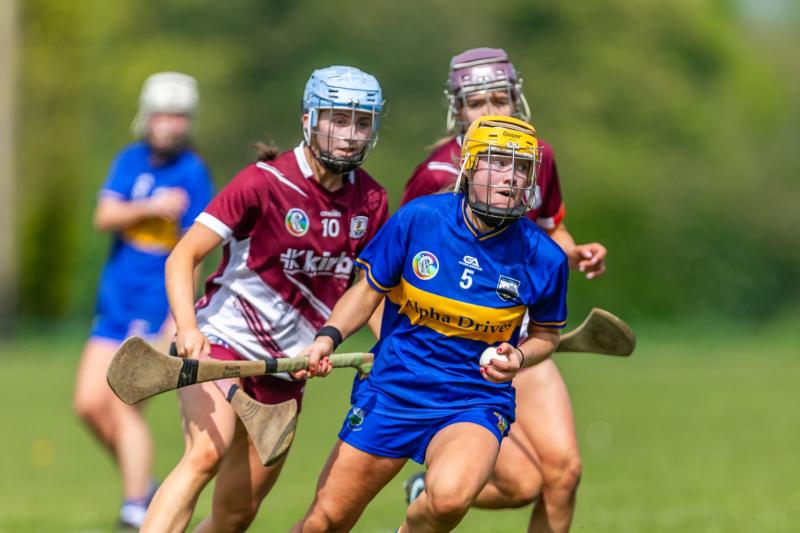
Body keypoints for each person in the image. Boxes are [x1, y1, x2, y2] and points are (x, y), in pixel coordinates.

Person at [140, 65, 388, 533]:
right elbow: (182, 257)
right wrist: (187, 329)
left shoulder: (371, 201)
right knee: (205, 454)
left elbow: (368, 291)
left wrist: (388, 348)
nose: (350, 134)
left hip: (288, 369)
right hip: (221, 345)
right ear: (309, 119)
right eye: (338, 119)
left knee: (237, 513)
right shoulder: (262, 183)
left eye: (361, 122)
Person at [292, 116, 569, 533]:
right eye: (497, 162)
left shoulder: (544, 258)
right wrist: (327, 338)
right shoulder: (419, 219)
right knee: (324, 522)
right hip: (394, 389)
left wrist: (519, 356)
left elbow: (547, 335)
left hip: (473, 399)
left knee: (449, 499)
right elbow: (367, 291)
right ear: (469, 166)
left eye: (521, 168)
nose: (510, 177)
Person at [400, 48, 607, 533]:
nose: (491, 110)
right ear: (458, 110)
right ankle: (426, 492)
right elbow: (397, 269)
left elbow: (551, 230)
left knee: (564, 473)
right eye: (477, 102)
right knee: (521, 484)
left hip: (522, 339)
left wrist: (573, 252)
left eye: (500, 98)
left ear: (517, 100)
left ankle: (431, 490)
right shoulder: (435, 176)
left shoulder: (538, 157)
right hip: (456, 352)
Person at [73, 72, 214, 529]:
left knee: (124, 403)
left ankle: (136, 506)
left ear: (188, 121)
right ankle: (147, 487)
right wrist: (150, 206)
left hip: (156, 308)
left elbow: (194, 252)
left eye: (178, 116)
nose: (169, 124)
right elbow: (104, 215)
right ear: (146, 116)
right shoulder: (130, 160)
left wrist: (180, 315)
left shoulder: (192, 172)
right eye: (161, 114)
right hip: (114, 304)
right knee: (88, 404)